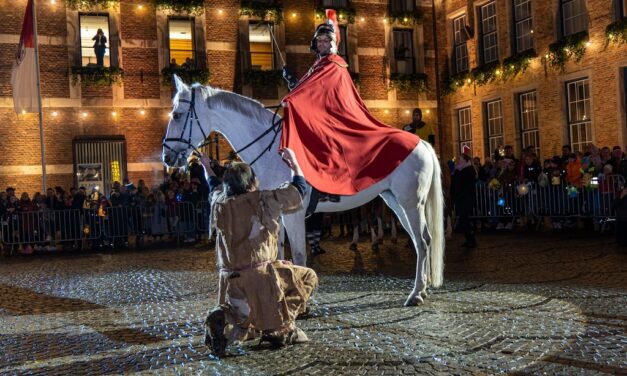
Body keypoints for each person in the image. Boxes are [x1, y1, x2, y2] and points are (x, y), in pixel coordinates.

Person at [280, 9, 420, 217]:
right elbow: (310, 89)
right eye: (319, 41)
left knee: (322, 140)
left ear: (333, 43)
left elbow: (315, 92)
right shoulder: (319, 65)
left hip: (336, 116)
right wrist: (293, 83)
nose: (322, 44)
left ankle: (321, 188)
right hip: (325, 113)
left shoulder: (334, 64)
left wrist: (292, 96)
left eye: (326, 41)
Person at [200, 148, 318, 357]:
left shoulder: (219, 201)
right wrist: (295, 164)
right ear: (251, 183)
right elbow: (299, 190)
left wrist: (207, 167)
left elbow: (212, 186)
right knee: (308, 277)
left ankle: (224, 319)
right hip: (259, 276)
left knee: (240, 313)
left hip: (228, 278)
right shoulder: (263, 200)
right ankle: (281, 327)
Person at [451, 145, 477, 248]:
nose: (458, 161)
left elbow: (465, 183)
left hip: (466, 198)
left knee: (465, 219)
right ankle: (469, 239)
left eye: (460, 159)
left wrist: (455, 173)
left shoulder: (469, 170)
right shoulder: (459, 170)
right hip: (461, 198)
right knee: (464, 219)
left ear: (465, 160)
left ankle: (471, 239)